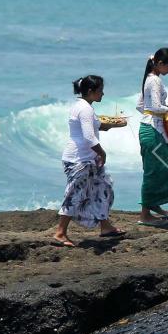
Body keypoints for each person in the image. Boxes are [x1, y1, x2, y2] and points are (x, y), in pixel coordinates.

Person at [52, 75, 126, 247]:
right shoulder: (85, 109)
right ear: (91, 91)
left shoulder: (83, 106)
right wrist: (102, 152)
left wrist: (116, 124)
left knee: (103, 187)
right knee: (75, 194)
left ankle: (105, 226)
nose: (103, 94)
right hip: (79, 160)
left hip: (89, 159)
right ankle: (60, 232)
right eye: (100, 90)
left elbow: (98, 125)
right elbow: (88, 136)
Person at [136, 47, 168, 227]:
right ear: (160, 63)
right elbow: (156, 106)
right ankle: (145, 214)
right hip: (152, 131)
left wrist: (158, 117)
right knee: (153, 171)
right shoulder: (154, 80)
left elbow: (140, 105)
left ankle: (154, 203)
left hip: (152, 127)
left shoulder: (149, 79)